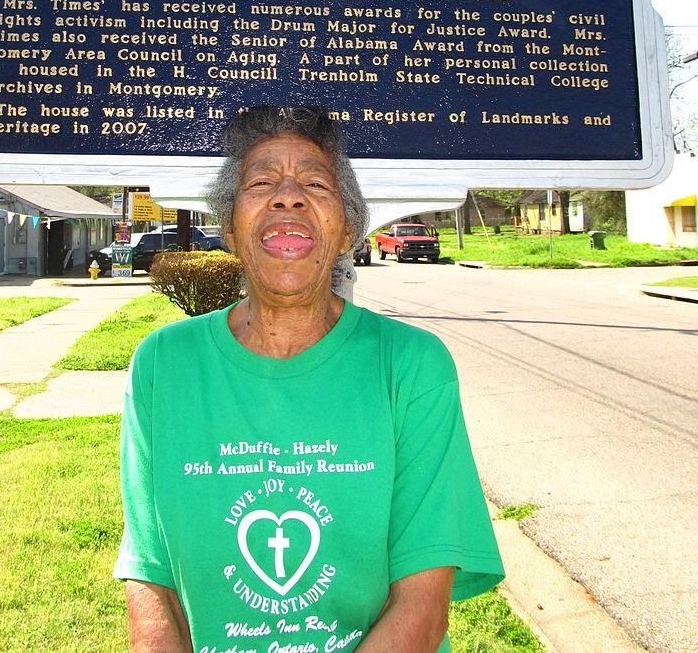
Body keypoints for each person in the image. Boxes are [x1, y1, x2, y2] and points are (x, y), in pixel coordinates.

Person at [114, 107, 504, 651]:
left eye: (315, 184)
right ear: (229, 228)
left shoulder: (413, 365)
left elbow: (423, 604)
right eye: (262, 181)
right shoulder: (162, 364)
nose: (288, 196)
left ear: (347, 232)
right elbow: (150, 574)